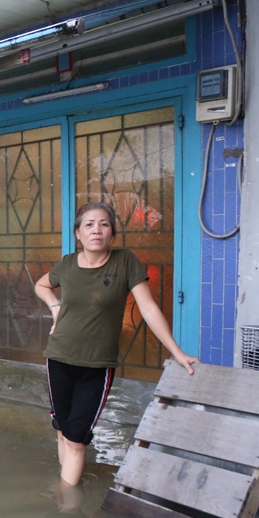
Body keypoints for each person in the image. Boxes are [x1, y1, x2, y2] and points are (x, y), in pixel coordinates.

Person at [34, 202, 198, 487]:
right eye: (89, 224)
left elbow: (147, 309)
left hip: (96, 365)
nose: (96, 229)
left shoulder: (125, 261)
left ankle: (65, 507)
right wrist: (55, 307)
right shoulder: (68, 264)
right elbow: (41, 285)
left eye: (104, 224)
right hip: (58, 357)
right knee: (63, 429)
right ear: (78, 234)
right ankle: (65, 497)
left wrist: (177, 352)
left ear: (112, 234)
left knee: (76, 439)